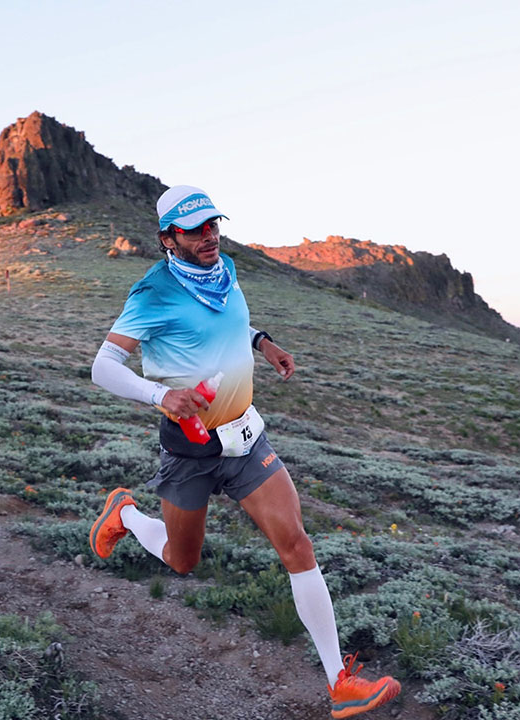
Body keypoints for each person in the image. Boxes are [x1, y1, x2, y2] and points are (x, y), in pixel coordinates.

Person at [89, 185, 400, 718]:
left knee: (297, 543)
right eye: (195, 230)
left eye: (213, 225)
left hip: (245, 438)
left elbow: (230, 323)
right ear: (168, 239)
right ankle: (126, 515)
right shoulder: (152, 294)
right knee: (182, 561)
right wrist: (163, 395)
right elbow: (103, 367)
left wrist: (264, 344)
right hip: (189, 450)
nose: (209, 236)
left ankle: (339, 682)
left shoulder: (224, 268)